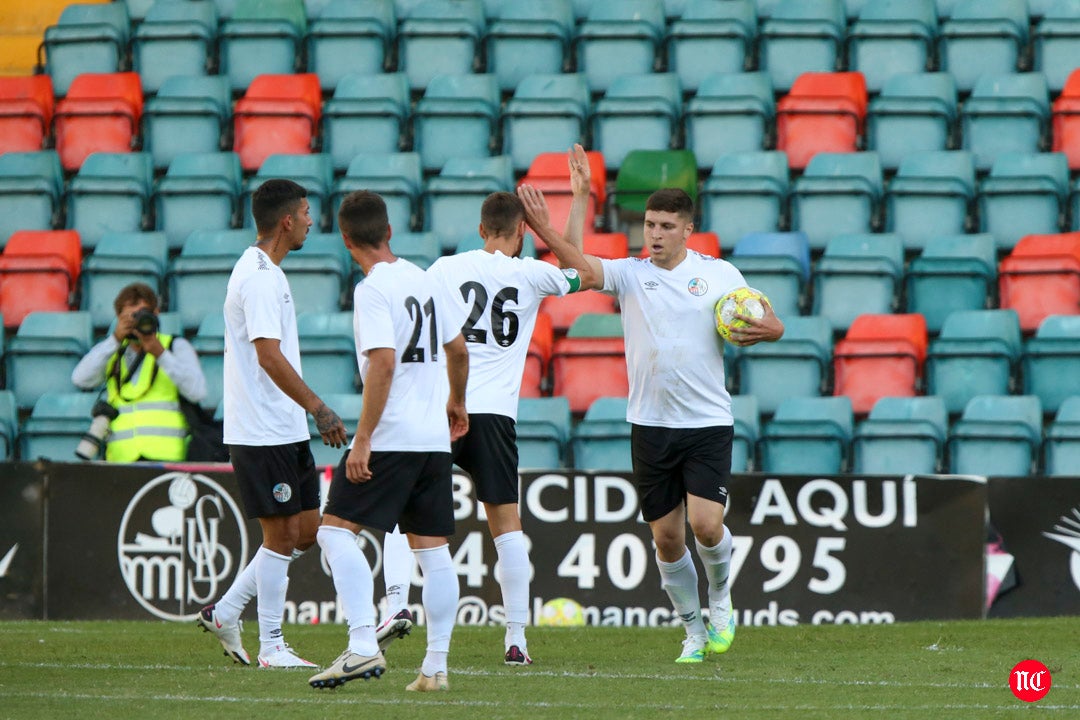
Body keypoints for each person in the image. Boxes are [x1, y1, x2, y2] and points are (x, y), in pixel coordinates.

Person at [519, 178, 785, 663]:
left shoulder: (721, 274)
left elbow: (765, 318)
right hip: (650, 424)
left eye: (666, 226)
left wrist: (773, 329)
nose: (655, 234)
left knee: (706, 526)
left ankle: (720, 601)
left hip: (706, 421)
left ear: (688, 229)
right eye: (649, 224)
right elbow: (575, 266)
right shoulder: (631, 274)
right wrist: (552, 223)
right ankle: (693, 632)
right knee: (666, 538)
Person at [377, 145, 592, 666]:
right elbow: (582, 271)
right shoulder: (533, 273)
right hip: (496, 415)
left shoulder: (444, 269)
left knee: (398, 507)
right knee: (506, 524)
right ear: (521, 233)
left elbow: (417, 330)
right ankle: (515, 638)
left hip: (441, 406)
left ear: (480, 230)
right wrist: (578, 199)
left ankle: (396, 604)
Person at [308, 190, 469, 692]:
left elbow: (382, 363)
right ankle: (435, 668)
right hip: (432, 439)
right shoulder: (424, 279)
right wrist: (456, 402)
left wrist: (362, 439)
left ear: (345, 239)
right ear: (389, 233)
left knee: (333, 533)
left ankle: (361, 646)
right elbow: (458, 349)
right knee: (433, 551)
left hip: (393, 436)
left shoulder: (372, 289)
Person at [196, 178, 348, 669]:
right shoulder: (260, 277)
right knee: (281, 538)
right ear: (286, 220)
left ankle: (226, 611)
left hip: (282, 428)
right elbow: (267, 356)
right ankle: (273, 647)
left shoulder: (268, 271)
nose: (310, 219)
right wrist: (319, 408)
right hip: (261, 430)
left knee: (305, 532)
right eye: (305, 211)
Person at [71, 282, 207, 462]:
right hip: (121, 461)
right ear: (119, 319)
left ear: (156, 314)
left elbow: (198, 392)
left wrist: (160, 354)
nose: (136, 323)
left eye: (141, 315)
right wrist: (114, 340)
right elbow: (80, 379)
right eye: (130, 317)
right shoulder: (113, 352)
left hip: (167, 461)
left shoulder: (174, 347)